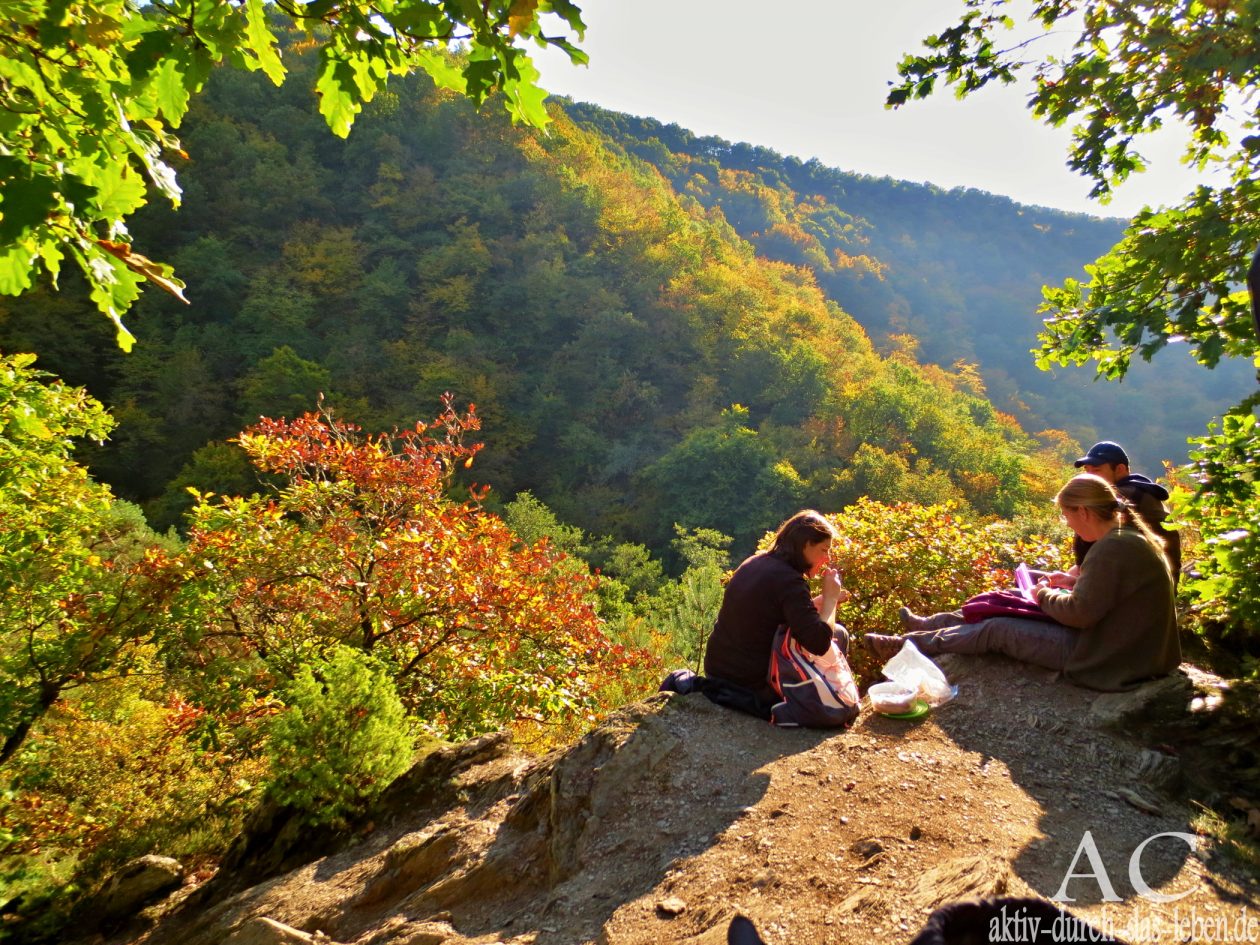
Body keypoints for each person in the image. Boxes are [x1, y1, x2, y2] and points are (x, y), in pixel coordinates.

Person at [864, 474, 1181, 692]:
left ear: (1083, 511)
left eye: (1066, 516)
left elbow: (1080, 614)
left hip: (1107, 655)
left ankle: (913, 643)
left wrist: (1043, 594)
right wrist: (1067, 584)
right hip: (1122, 645)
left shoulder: (1113, 547)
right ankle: (930, 625)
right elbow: (1106, 596)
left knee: (997, 629)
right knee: (1007, 598)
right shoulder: (1126, 539)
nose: (1067, 523)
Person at [699, 509, 850, 719]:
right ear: (806, 544)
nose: (827, 558)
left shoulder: (755, 562)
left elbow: (768, 614)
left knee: (833, 631)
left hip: (718, 671)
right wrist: (831, 600)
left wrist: (816, 603)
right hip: (751, 684)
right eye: (824, 550)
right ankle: (832, 700)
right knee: (838, 634)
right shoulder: (789, 580)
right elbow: (818, 643)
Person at [1070, 440, 1180, 582]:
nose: (1090, 476)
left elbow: (1084, 547)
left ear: (1120, 469)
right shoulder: (1140, 491)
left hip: (1143, 591)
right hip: (1145, 584)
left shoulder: (1126, 495)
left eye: (1097, 470)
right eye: (1087, 470)